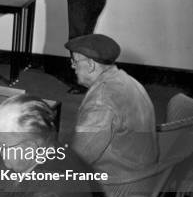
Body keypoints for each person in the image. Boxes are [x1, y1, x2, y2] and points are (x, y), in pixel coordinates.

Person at [66, 34, 158, 181]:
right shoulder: (127, 80)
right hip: (141, 171)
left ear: (91, 65)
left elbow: (79, 159)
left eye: (75, 61)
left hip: (119, 183)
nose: (72, 66)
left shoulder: (101, 102)